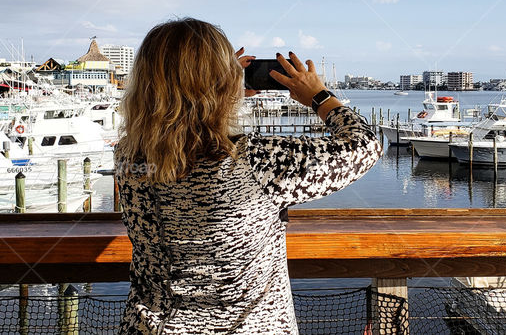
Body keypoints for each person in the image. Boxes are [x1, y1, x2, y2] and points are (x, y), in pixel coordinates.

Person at [114, 18, 382, 334]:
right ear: (226, 82)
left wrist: (220, 89)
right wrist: (318, 96)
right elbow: (366, 144)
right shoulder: (256, 161)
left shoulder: (129, 157)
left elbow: (180, 131)